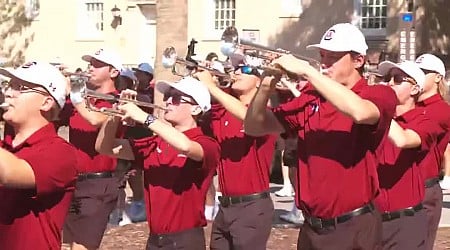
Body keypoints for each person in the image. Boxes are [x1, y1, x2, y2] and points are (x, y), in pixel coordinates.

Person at [244, 23, 397, 249]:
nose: (324, 63)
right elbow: (254, 127)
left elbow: (360, 112)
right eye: (322, 55)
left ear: (358, 61)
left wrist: (309, 72)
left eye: (333, 57)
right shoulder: (311, 95)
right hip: (312, 227)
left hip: (353, 225)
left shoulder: (378, 93)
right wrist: (265, 85)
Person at [95, 76, 220, 250]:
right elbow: (105, 147)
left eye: (176, 98)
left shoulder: (206, 143)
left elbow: (185, 146)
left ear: (196, 109)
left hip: (185, 239)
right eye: (168, 95)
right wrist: (115, 114)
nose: (168, 101)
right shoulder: (155, 143)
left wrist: (144, 117)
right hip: (155, 239)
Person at [195, 60, 277, 250]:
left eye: (246, 69)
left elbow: (249, 117)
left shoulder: (267, 113)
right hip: (225, 206)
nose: (237, 72)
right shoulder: (222, 111)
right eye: (236, 69)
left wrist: (211, 86)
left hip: (252, 206)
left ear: (259, 81)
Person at [0, 61, 78, 249]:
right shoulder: (5, 148)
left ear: (46, 102)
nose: (9, 92)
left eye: (20, 87)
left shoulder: (60, 152)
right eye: (10, 86)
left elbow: (8, 173)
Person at [60, 48, 125, 250]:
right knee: (64, 245)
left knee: (81, 247)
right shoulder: (82, 100)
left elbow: (95, 119)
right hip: (73, 180)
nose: (91, 68)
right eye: (91, 63)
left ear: (113, 72)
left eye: (98, 64)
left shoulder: (117, 100)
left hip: (99, 183)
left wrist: (76, 95)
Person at [376, 60, 438, 249]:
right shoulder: (377, 117)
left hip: (405, 221)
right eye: (387, 79)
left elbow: (402, 140)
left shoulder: (425, 119)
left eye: (397, 79)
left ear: (414, 89)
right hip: (372, 219)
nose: (389, 84)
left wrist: (379, 106)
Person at [414, 54, 450, 250]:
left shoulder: (441, 110)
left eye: (424, 73)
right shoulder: (410, 106)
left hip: (424, 189)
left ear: (437, 77)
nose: (418, 76)